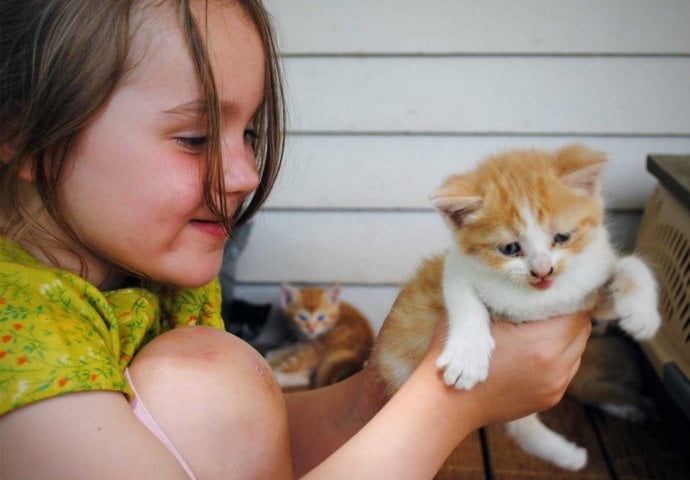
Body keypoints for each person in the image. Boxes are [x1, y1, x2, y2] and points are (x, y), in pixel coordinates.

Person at [0, 0, 592, 478]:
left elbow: (245, 441)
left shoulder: (147, 276)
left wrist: (379, 396)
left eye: (250, 133)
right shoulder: (15, 330)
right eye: (195, 137)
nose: (246, 174)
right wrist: (444, 406)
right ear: (28, 140)